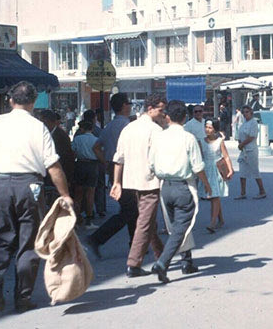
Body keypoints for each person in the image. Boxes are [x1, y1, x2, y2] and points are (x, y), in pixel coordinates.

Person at [0, 81, 73, 313]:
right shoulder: (38, 127)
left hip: (0, 184)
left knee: (3, 237)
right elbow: (53, 166)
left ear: (10, 100)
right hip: (30, 186)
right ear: (33, 102)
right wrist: (65, 194)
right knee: (29, 243)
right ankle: (22, 298)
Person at [86, 94, 166, 277]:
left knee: (141, 218)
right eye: (161, 110)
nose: (163, 114)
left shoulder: (126, 128)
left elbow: (116, 157)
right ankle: (134, 262)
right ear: (150, 108)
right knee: (143, 220)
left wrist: (115, 181)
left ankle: (160, 256)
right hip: (148, 181)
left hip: (127, 180)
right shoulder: (154, 130)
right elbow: (158, 159)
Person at [148, 100, 213, 283]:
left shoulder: (159, 137)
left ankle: (187, 261)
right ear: (185, 117)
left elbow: (151, 164)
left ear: (167, 117)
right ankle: (163, 263)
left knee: (176, 227)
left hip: (165, 187)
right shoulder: (188, 138)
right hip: (183, 186)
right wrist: (206, 184)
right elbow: (198, 166)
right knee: (180, 228)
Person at [92, 93, 132, 219]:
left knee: (127, 208)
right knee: (130, 210)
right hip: (129, 170)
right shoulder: (128, 126)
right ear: (124, 106)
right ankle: (98, 237)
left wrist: (106, 162)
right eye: (129, 104)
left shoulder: (109, 126)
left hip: (113, 169)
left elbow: (96, 147)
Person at [199, 119, 233, 233]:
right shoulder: (201, 141)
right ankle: (221, 220)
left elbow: (226, 156)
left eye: (210, 127)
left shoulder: (220, 141)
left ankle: (213, 222)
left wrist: (230, 170)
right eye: (206, 127)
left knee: (215, 196)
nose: (207, 130)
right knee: (214, 196)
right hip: (206, 170)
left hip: (217, 170)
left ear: (215, 129)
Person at [72, 120, 105, 227]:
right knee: (90, 193)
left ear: (82, 129)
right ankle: (89, 220)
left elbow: (73, 153)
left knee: (78, 193)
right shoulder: (96, 140)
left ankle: (76, 218)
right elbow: (101, 153)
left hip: (80, 165)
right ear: (91, 129)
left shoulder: (77, 139)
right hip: (92, 166)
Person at [39, 110, 75, 210]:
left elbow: (67, 158)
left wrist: (67, 177)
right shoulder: (45, 134)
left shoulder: (61, 136)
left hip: (58, 173)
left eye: (43, 122)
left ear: (50, 122)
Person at [235, 105, 267, 199]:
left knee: (255, 171)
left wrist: (242, 144)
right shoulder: (244, 123)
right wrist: (240, 143)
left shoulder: (253, 123)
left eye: (247, 112)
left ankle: (262, 191)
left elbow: (252, 137)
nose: (245, 114)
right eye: (243, 112)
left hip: (251, 150)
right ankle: (242, 193)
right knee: (242, 172)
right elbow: (240, 134)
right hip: (243, 151)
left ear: (251, 112)